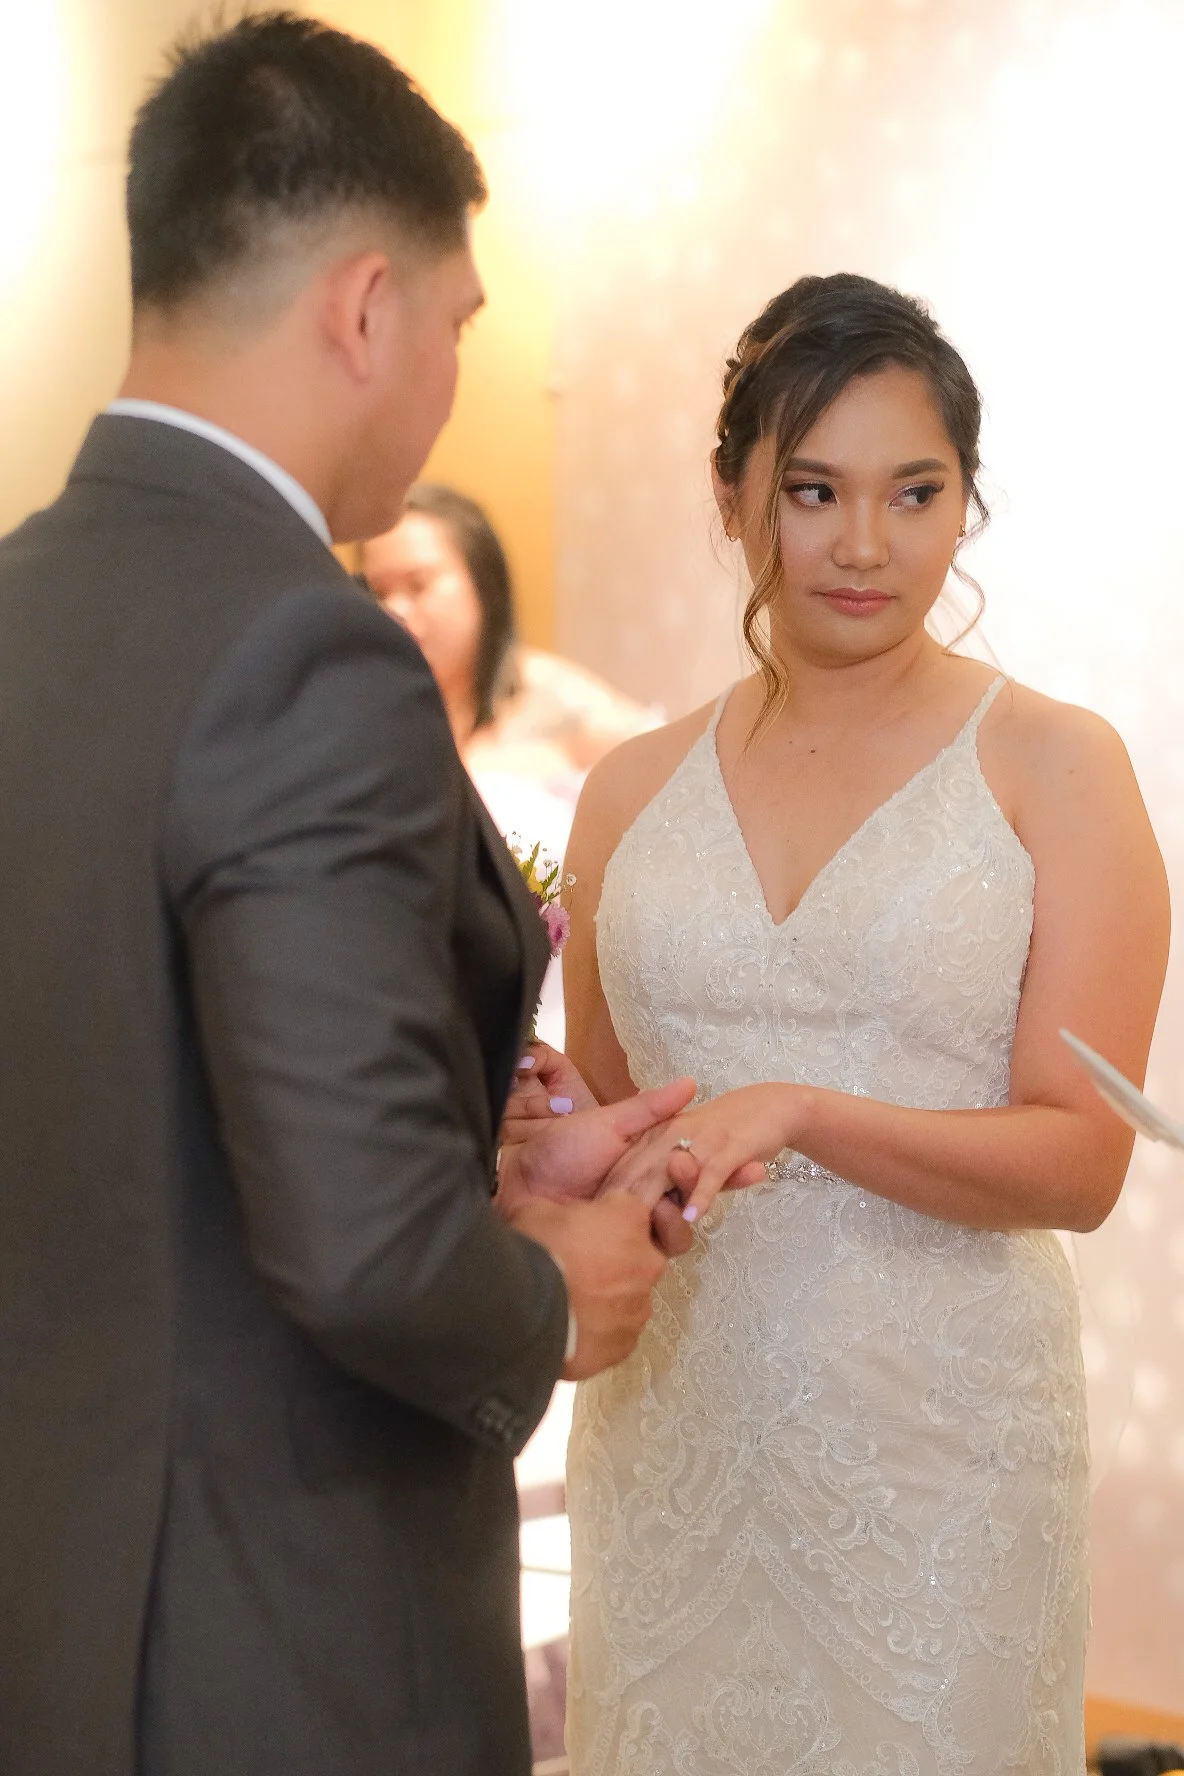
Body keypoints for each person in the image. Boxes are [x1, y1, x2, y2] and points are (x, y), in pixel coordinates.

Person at [0, 16, 718, 1776]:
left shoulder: (25, 601)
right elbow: (362, 1247)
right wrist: (552, 1294)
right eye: (462, 326)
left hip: (60, 1591)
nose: (454, 374)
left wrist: (474, 1150)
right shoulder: (306, 651)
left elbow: (142, 1104)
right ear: (367, 306)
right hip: (279, 1634)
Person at [549, 274, 1170, 1774]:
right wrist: (534, 1117)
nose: (865, 544)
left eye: (915, 492)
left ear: (967, 501)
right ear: (732, 496)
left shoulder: (1054, 766)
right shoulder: (628, 789)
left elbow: (1082, 1163)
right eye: (813, 490)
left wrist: (804, 1110)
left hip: (939, 1460)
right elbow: (619, 1129)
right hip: (673, 1439)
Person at [361, 485, 660, 1048]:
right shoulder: (361, 719)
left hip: (552, 1026)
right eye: (377, 591)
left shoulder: (553, 701)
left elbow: (675, 784)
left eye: (418, 586)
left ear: (483, 582)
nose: (395, 610)